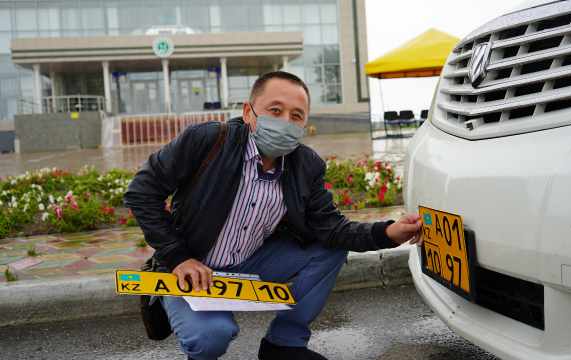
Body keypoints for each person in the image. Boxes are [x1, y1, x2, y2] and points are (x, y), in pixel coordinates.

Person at [124, 71, 422, 360]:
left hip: (249, 262)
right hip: (189, 268)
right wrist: (178, 257)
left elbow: (332, 228)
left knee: (328, 250)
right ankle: (170, 303)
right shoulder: (207, 141)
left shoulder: (306, 165)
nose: (285, 122)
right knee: (210, 338)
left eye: (296, 116)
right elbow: (141, 191)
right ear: (248, 112)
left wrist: (388, 233)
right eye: (274, 110)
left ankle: (284, 345)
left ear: (305, 124)